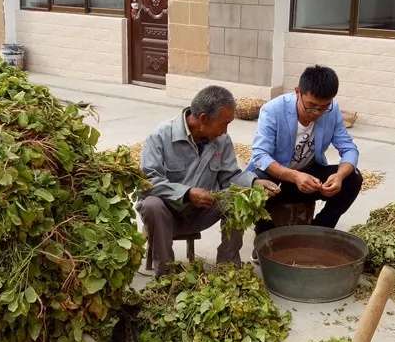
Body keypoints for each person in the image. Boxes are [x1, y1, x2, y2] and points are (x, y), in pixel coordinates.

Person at [139, 85, 278, 275]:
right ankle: (165, 274)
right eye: (224, 123)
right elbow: (148, 181)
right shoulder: (161, 136)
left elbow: (230, 176)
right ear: (203, 118)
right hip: (167, 215)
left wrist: (254, 183)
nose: (225, 130)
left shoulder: (222, 140)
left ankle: (227, 267)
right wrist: (187, 193)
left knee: (238, 199)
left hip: (201, 211)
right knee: (151, 204)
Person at [248, 65, 362, 232]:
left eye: (324, 107)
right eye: (311, 105)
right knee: (257, 184)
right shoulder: (273, 110)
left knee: (353, 178)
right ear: (298, 92)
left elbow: (349, 148)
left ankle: (319, 230)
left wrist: (339, 176)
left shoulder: (332, 110)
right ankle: (265, 238)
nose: (317, 112)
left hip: (308, 177)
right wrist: (295, 176)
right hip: (276, 178)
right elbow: (260, 155)